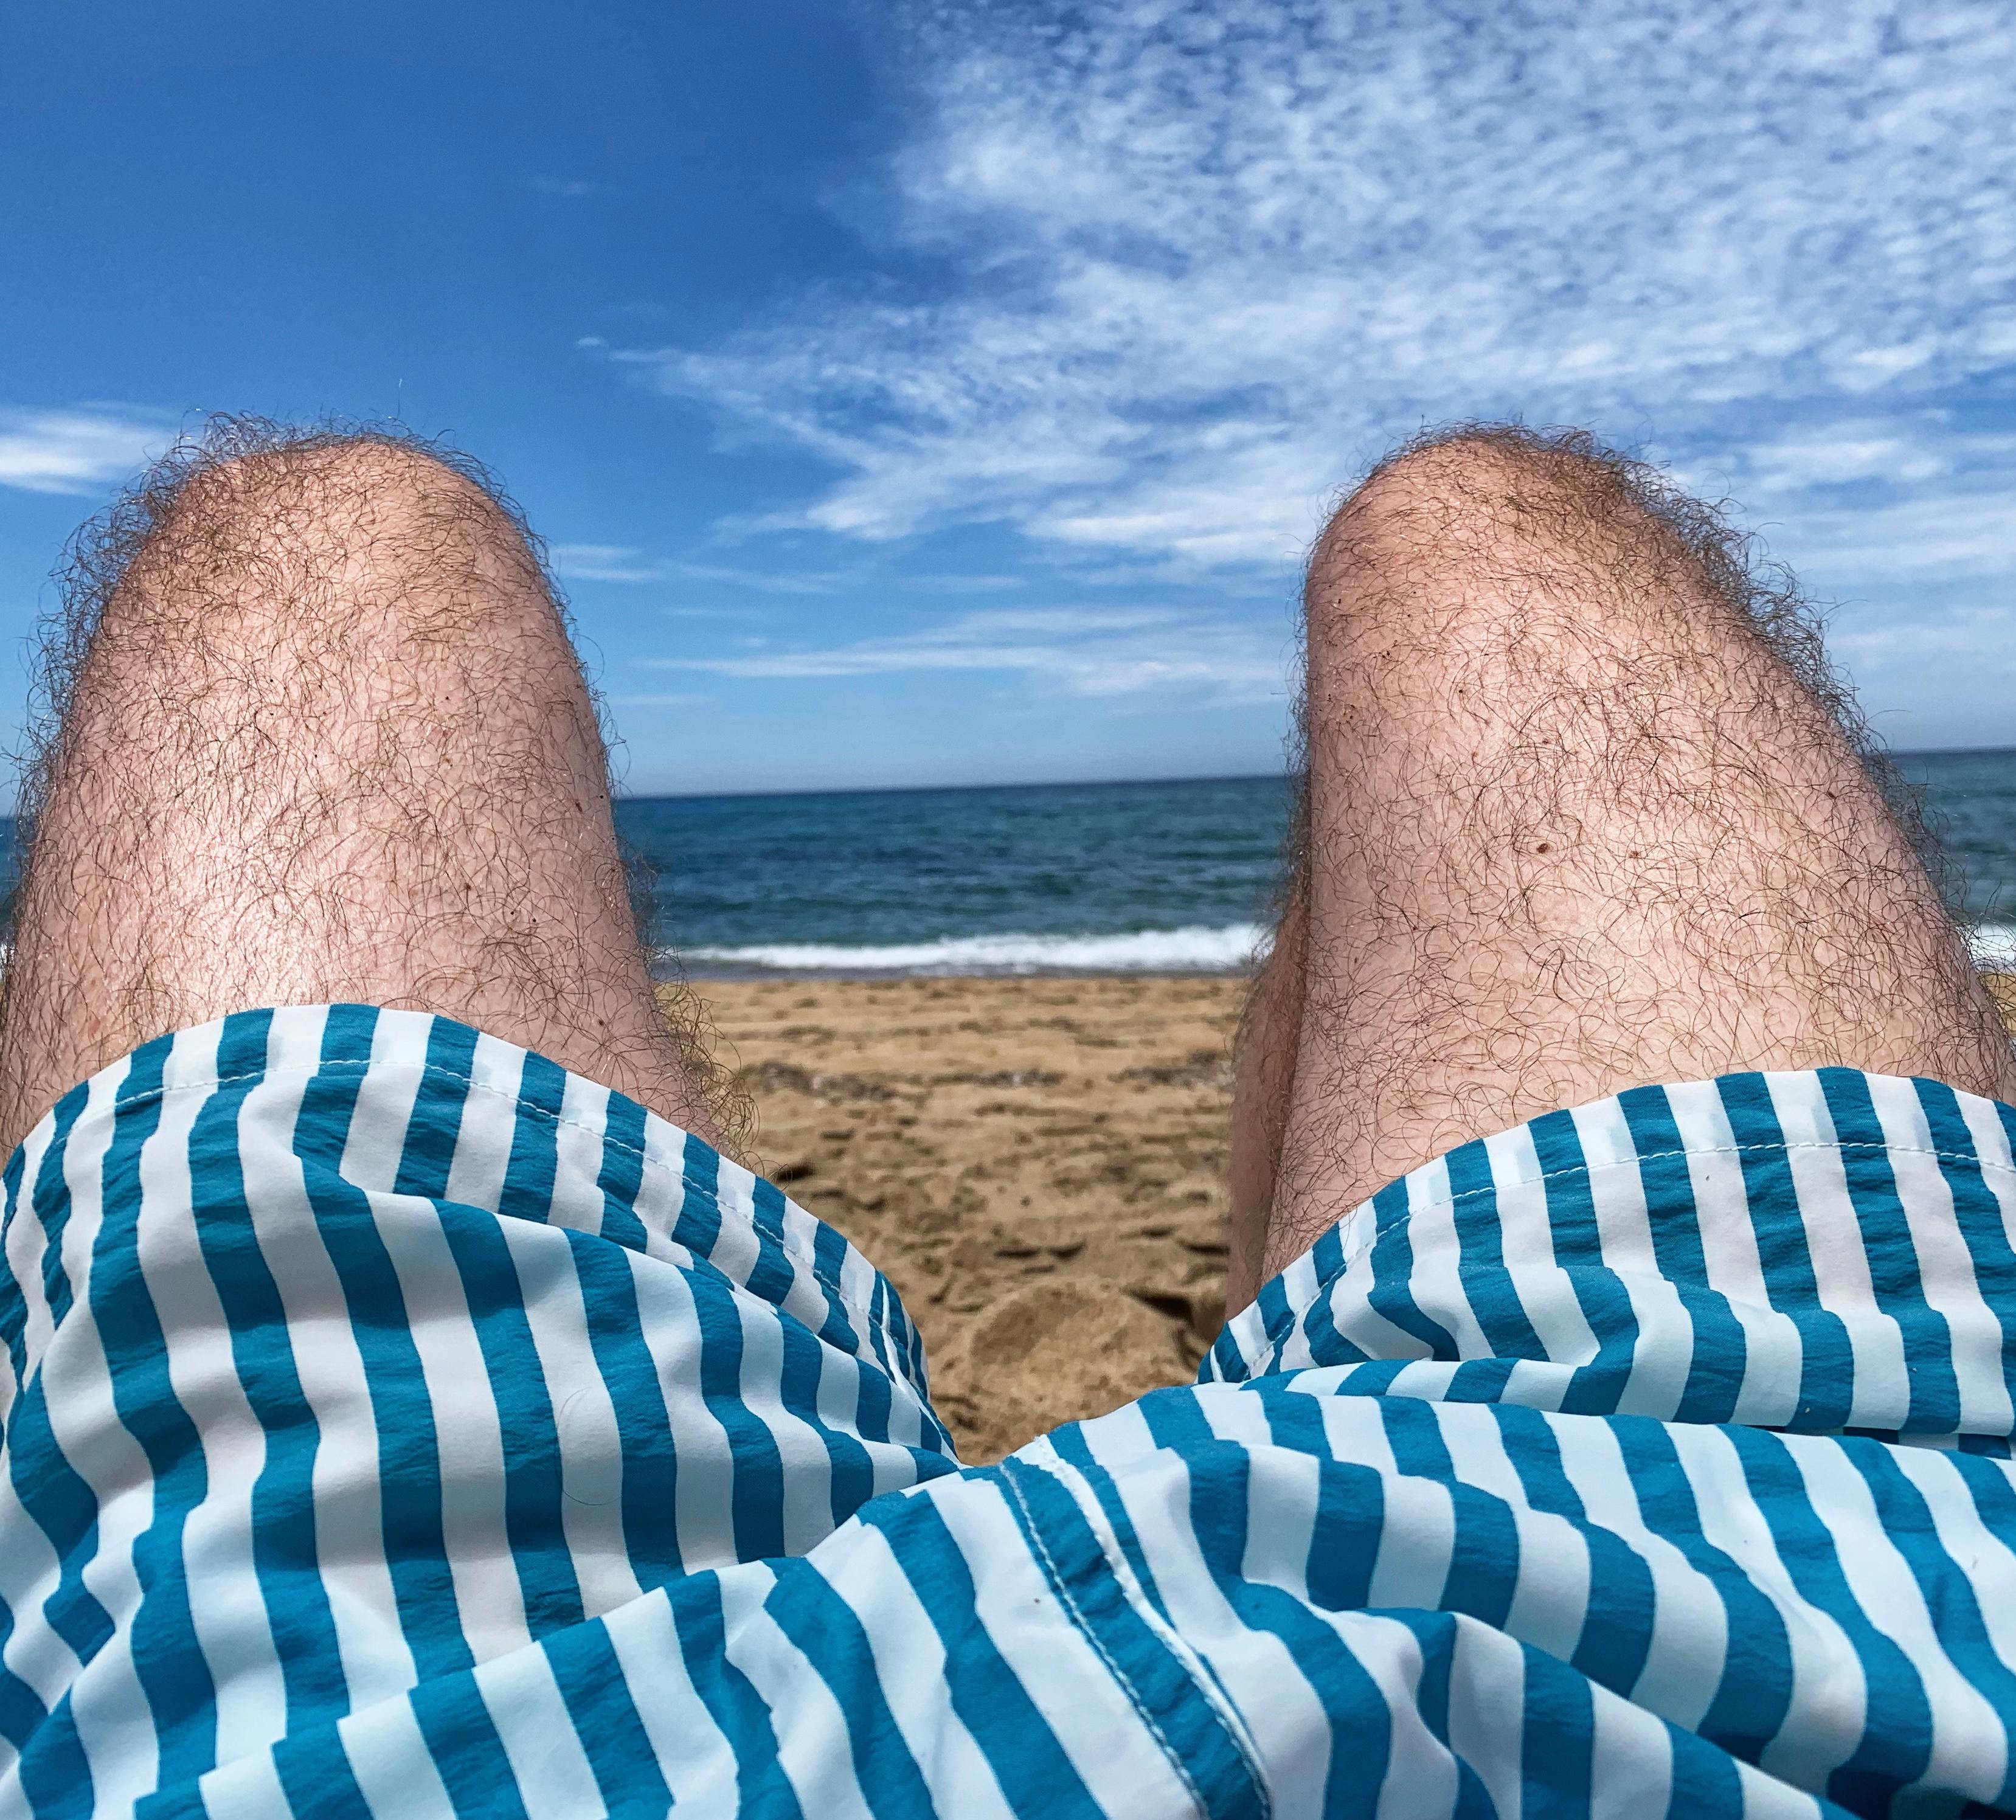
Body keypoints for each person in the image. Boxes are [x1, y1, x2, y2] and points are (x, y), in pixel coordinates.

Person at [1, 420, 2012, 1820]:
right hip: (1779, 1665)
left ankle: (1306, 1409)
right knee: (1487, 537)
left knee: (319, 551)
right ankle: (1309, 1413)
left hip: (378, 1743)